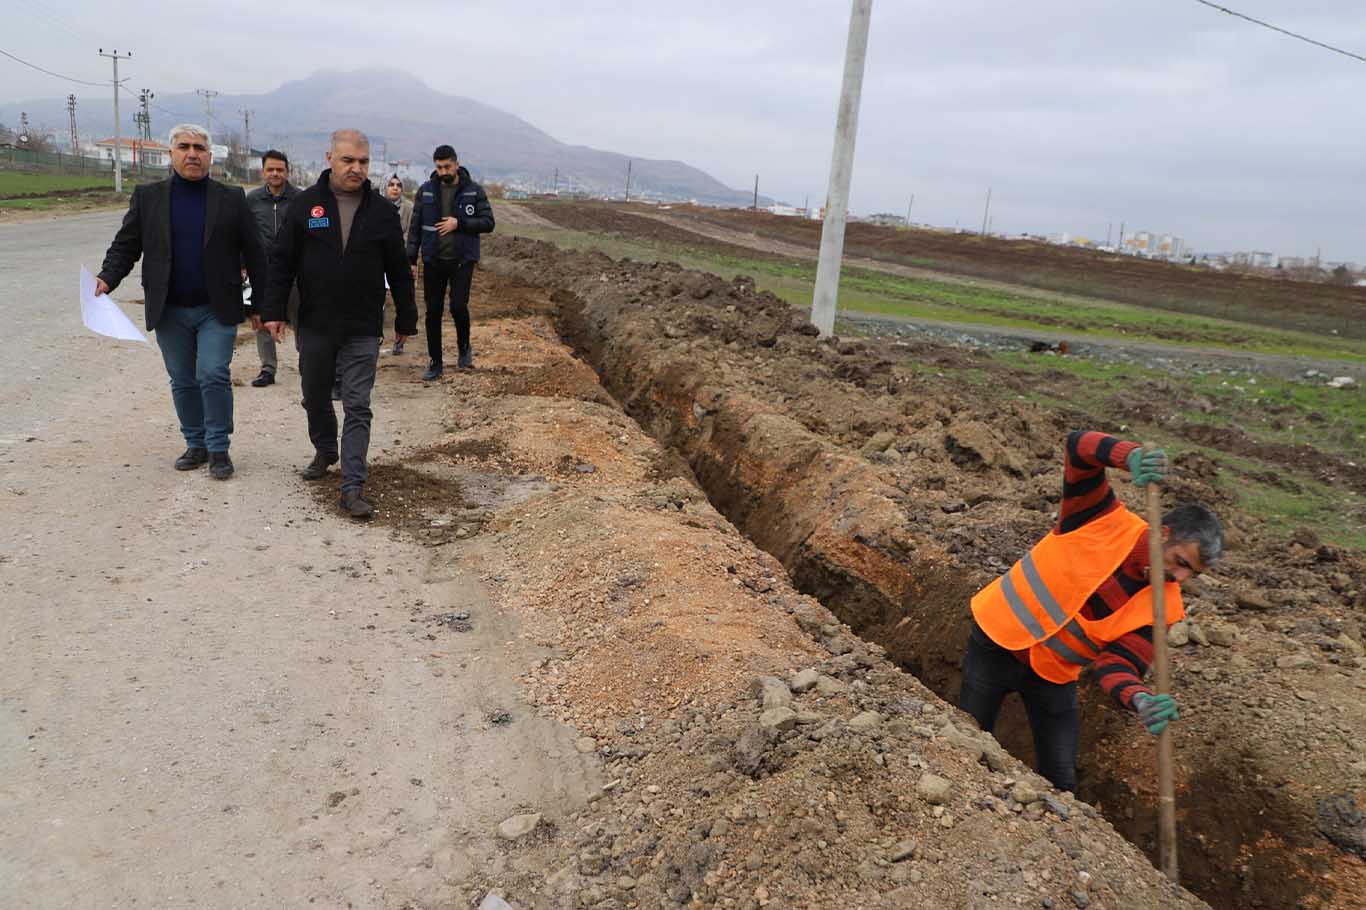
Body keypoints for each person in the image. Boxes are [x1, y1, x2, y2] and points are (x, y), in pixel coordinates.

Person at [958, 431, 1223, 793]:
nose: (1180, 577)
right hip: (996, 642)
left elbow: (1118, 665)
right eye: (1181, 562)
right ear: (1163, 533)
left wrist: (1139, 698)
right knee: (965, 743)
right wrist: (1129, 455)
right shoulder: (1098, 516)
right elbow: (1078, 448)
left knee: (1062, 781)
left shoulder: (1165, 607)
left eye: (1192, 573)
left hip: (1052, 674)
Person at [95, 123, 267, 480]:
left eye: (200, 148)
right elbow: (127, 245)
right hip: (169, 308)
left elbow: (255, 251)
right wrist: (107, 278)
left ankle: (219, 448)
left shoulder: (231, 198)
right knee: (183, 379)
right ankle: (196, 443)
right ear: (171, 153)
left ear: (209, 156)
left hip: (215, 308)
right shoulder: (148, 197)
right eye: (185, 147)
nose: (192, 154)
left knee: (213, 373)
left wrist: (263, 305)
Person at [261, 129, 416, 519]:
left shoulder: (382, 212)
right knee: (314, 396)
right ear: (330, 158)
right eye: (349, 160)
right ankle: (326, 448)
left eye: (363, 162)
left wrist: (406, 317)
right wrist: (275, 310)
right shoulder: (306, 206)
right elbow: (282, 261)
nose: (357, 168)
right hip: (315, 321)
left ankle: (352, 485)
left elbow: (399, 269)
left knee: (358, 404)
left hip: (363, 325)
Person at [406, 145, 494, 379]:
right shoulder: (426, 192)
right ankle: (435, 363)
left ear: (456, 164)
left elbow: (488, 222)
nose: (443, 171)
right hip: (433, 260)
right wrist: (411, 259)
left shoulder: (473, 191)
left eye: (447, 166)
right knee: (433, 312)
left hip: (462, 260)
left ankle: (464, 348)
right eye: (439, 167)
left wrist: (461, 223)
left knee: (458, 307)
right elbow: (414, 228)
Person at [245, 149, 301, 387]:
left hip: (297, 271)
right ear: (263, 172)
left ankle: (307, 362)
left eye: (280, 169)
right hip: (263, 271)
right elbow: (243, 235)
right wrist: (243, 264)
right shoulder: (251, 200)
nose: (275, 173)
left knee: (303, 317)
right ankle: (267, 368)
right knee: (262, 319)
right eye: (271, 169)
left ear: (287, 172)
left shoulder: (301, 199)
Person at [383, 174, 413, 355]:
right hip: (380, 258)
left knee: (402, 301)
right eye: (391, 184)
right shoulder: (376, 206)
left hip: (401, 258)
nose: (395, 188)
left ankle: (399, 342)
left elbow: (411, 233)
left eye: (398, 185)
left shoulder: (409, 208)